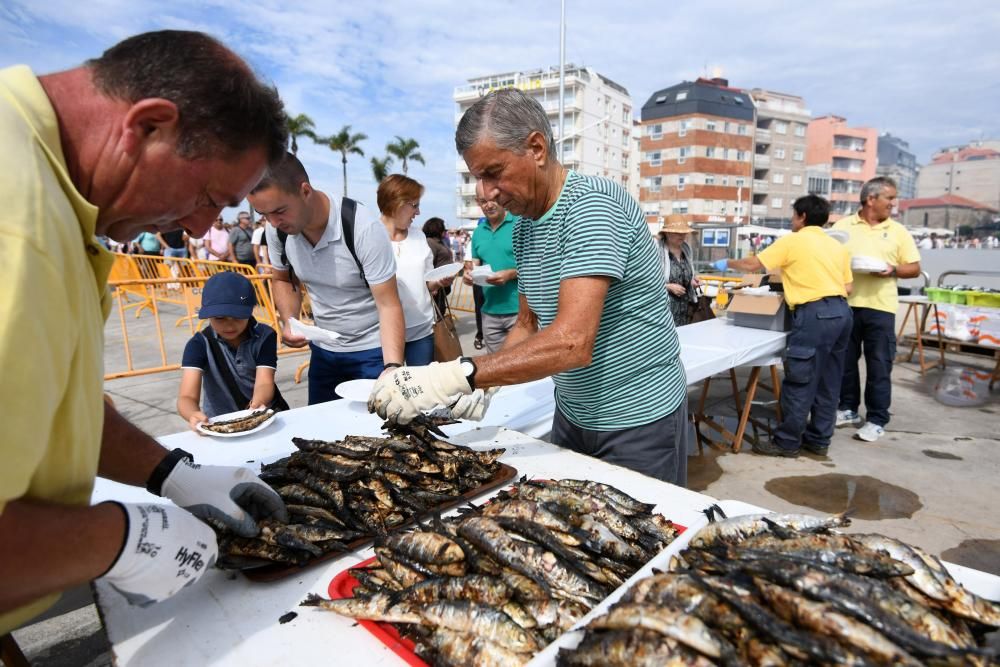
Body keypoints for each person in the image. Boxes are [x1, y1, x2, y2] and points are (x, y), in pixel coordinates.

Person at [0, 30, 290, 633]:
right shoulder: (18, 226)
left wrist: (172, 473)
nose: (200, 225)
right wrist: (122, 537)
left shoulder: (59, 195)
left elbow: (59, 404)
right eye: (209, 196)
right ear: (149, 125)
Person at [370, 88, 689, 486]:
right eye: (476, 178)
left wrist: (454, 375)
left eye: (493, 172)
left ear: (536, 148)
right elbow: (527, 321)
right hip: (573, 412)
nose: (485, 192)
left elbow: (573, 341)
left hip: (638, 420)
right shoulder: (524, 228)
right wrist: (486, 385)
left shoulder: (592, 206)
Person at [250, 152, 406, 404]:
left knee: (379, 432)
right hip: (323, 352)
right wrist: (289, 320)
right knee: (322, 433)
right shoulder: (277, 230)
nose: (273, 222)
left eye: (279, 211)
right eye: (263, 214)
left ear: (305, 191)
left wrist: (392, 366)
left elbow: (388, 304)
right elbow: (282, 278)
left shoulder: (360, 227)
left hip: (372, 350)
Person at [712, 195, 853, 457]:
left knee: (801, 379)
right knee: (829, 380)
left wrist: (727, 263)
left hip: (814, 314)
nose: (792, 220)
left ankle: (787, 442)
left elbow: (755, 265)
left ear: (802, 217)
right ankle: (820, 439)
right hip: (842, 313)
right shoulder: (837, 246)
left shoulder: (793, 241)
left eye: (793, 215)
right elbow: (848, 286)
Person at [832, 177, 921, 442]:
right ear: (871, 199)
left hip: (881, 308)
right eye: (890, 198)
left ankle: (876, 418)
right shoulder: (842, 227)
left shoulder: (898, 231)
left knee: (879, 365)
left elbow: (914, 268)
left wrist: (892, 269)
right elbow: (829, 259)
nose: (894, 204)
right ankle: (848, 408)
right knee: (845, 364)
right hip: (847, 305)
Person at [178, 272, 280, 431]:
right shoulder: (198, 344)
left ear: (251, 309)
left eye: (238, 317)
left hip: (263, 416)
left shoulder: (265, 336)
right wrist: (193, 414)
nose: (229, 326)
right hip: (219, 423)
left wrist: (257, 405)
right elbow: (186, 396)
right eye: (220, 318)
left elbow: (265, 381)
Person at [376, 174, 452, 366]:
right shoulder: (370, 237)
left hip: (421, 331)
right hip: (381, 336)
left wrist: (439, 281)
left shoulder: (419, 236)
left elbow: (427, 283)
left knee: (420, 391)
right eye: (415, 205)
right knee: (388, 391)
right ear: (398, 203)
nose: (418, 213)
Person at [465, 195, 519, 353]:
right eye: (483, 201)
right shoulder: (478, 232)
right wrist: (469, 275)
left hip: (520, 311)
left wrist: (511, 274)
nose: (488, 205)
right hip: (489, 312)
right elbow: (475, 265)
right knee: (496, 370)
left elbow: (537, 265)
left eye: (492, 199)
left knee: (523, 371)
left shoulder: (521, 223)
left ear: (503, 198)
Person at [657, 214, 700, 327]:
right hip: (663, 312)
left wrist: (692, 281)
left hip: (686, 311)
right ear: (667, 233)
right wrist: (668, 287)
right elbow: (645, 279)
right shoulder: (655, 250)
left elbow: (688, 274)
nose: (682, 235)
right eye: (677, 232)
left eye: (684, 232)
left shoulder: (687, 249)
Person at [422, 216, 454, 318]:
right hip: (436, 283)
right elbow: (429, 263)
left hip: (442, 283)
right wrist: (433, 285)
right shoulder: (430, 242)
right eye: (443, 228)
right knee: (438, 311)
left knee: (441, 308)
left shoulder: (439, 242)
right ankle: (439, 333)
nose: (444, 230)